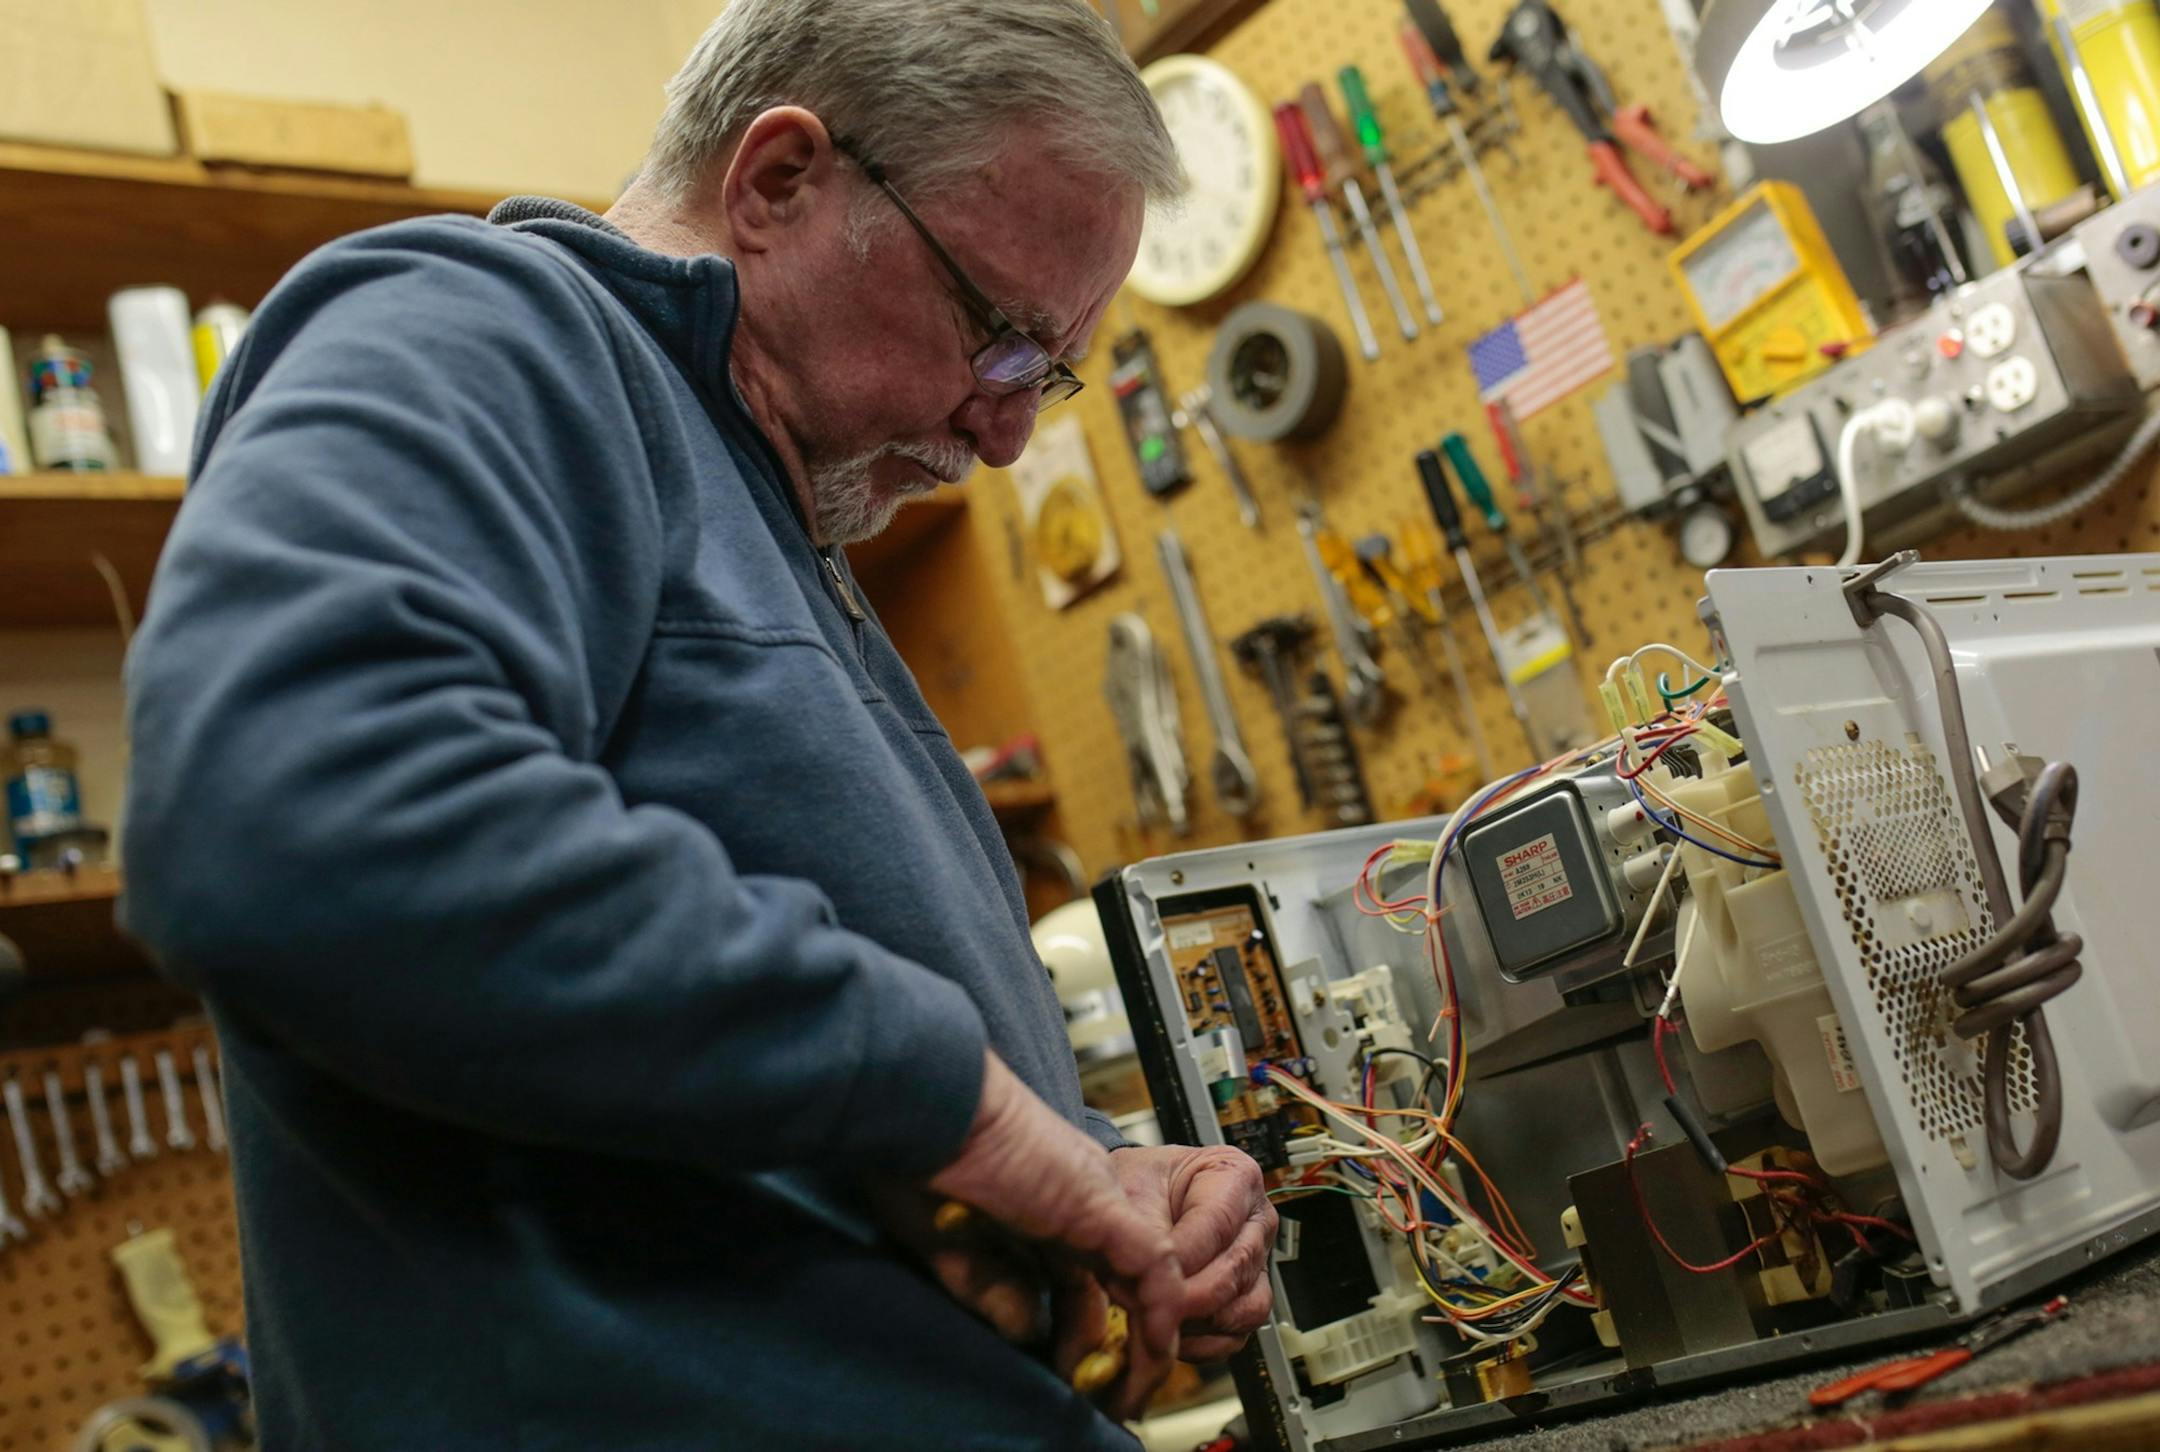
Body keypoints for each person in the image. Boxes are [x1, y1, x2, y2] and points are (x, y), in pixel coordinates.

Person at [120, 1, 1275, 1447]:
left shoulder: (778, 523)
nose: (1005, 434)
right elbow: (286, 811)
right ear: (779, 180)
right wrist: (962, 1107)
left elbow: (794, 1097)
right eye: (998, 339)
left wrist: (1096, 1173)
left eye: (1047, 376)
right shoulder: (495, 329)